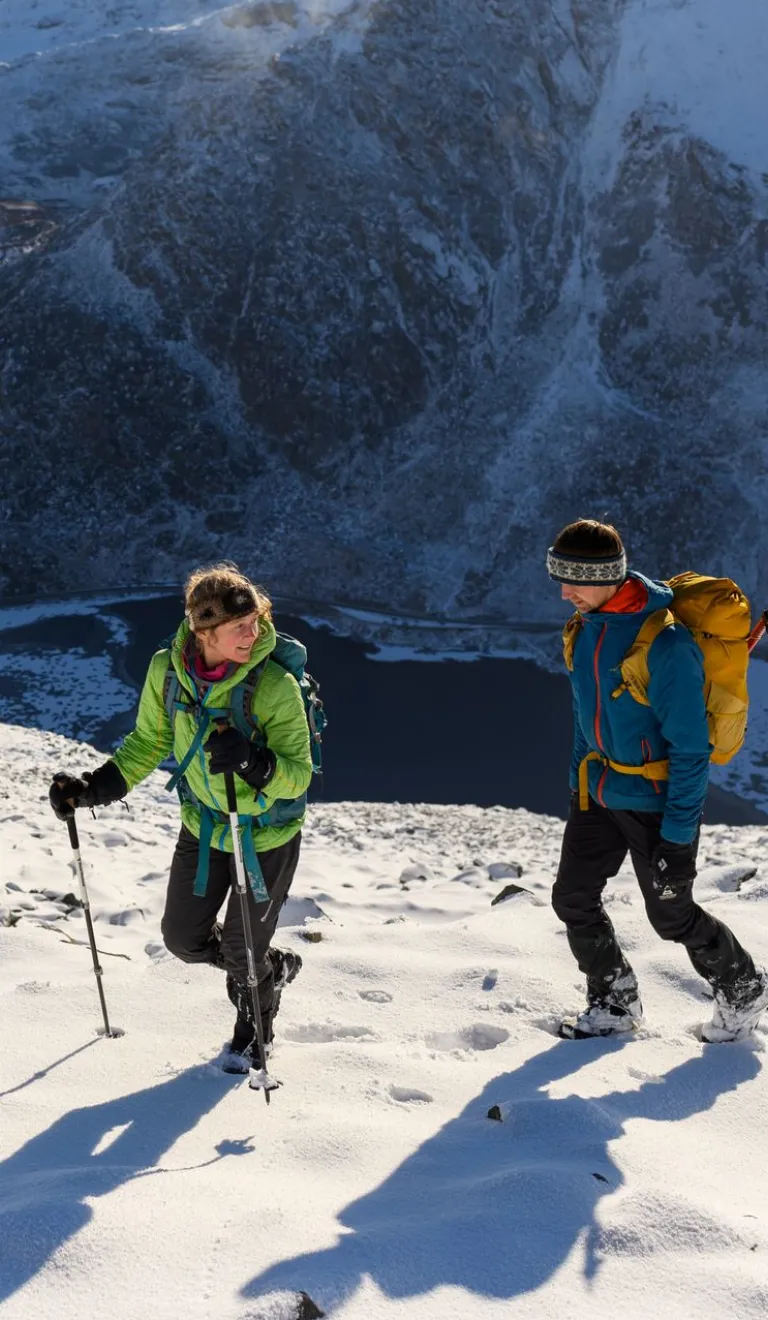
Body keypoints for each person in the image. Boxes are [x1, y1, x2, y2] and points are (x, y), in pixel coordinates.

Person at [49, 564, 312, 1070]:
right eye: (240, 627)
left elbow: (297, 775)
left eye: (257, 621)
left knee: (242, 953)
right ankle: (268, 967)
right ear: (202, 630)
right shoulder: (166, 672)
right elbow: (150, 741)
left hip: (266, 836)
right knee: (182, 939)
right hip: (205, 826)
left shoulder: (274, 685)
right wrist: (95, 787)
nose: (253, 634)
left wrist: (252, 762)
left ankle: (255, 1029)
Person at [547, 518, 767, 1041]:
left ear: (607, 575)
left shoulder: (664, 645)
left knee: (671, 914)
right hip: (599, 792)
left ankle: (743, 986)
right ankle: (614, 1003)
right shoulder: (585, 630)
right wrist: (580, 792)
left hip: (654, 801)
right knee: (573, 897)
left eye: (573, 576)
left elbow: (692, 751)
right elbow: (585, 719)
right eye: (558, 573)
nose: (563, 591)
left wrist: (677, 839)